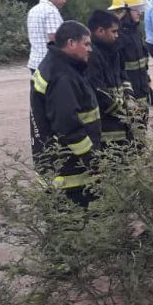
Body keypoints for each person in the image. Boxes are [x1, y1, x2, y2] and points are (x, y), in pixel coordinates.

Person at [30, 21, 101, 207]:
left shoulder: (54, 64)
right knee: (77, 223)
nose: (90, 49)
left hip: (56, 162)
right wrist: (92, 160)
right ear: (71, 43)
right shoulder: (63, 77)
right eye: (86, 44)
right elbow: (68, 126)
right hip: (70, 171)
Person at [86, 10, 134, 148]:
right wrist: (124, 111)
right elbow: (99, 92)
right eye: (113, 31)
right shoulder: (91, 55)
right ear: (100, 31)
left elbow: (123, 75)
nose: (117, 35)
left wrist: (129, 98)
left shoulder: (114, 49)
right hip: (105, 124)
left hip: (120, 120)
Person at [108, 0, 151, 132]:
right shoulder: (116, 36)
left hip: (142, 89)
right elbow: (116, 70)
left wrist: (148, 79)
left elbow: (141, 61)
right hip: (128, 94)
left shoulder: (134, 31)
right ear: (125, 11)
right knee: (130, 131)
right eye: (136, 9)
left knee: (141, 128)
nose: (140, 12)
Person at [27, 0, 67, 72]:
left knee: (38, 86)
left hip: (35, 61)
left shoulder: (33, 10)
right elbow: (54, 38)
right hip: (49, 63)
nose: (64, 1)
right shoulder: (51, 11)